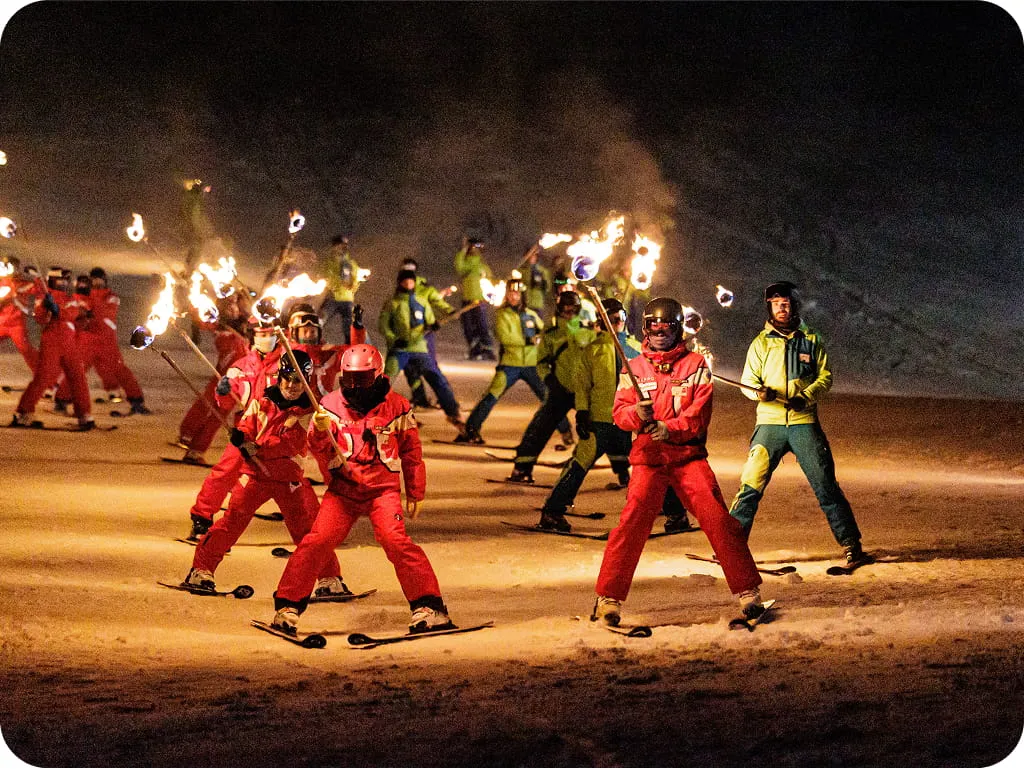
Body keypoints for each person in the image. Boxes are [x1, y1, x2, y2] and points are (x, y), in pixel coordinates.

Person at [592, 297, 765, 627]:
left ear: (677, 330)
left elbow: (698, 417)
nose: (659, 334)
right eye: (653, 328)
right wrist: (636, 415)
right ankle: (608, 597)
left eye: (666, 328)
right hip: (649, 458)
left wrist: (668, 428)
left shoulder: (696, 364)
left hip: (686, 457)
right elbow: (619, 413)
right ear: (645, 329)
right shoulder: (635, 366)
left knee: (716, 517)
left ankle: (747, 590)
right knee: (633, 522)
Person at [267, 343, 454, 637]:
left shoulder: (398, 407)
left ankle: (430, 606)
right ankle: (288, 605)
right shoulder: (329, 405)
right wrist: (317, 430)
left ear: (377, 376)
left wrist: (415, 490)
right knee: (317, 540)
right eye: (350, 379)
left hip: (382, 490)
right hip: (344, 491)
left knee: (394, 540)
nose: (355, 387)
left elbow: (411, 452)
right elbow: (318, 451)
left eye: (363, 380)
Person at [182, 350, 350, 600]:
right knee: (231, 523)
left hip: (288, 479)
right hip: (255, 477)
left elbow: (293, 443)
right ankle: (201, 570)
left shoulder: (310, 412)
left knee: (306, 531)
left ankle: (329, 577)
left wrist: (259, 447)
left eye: (299, 381)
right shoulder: (261, 403)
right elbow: (248, 426)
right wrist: (242, 437)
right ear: (280, 377)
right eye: (288, 379)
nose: (292, 386)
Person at [729, 281, 870, 569]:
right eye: (777, 303)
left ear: (795, 305)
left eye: (787, 302)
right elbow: (747, 382)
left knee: (826, 486)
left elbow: (825, 377)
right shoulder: (760, 343)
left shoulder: (811, 339)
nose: (782, 308)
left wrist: (805, 398)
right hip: (769, 425)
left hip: (804, 423)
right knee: (750, 485)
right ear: (769, 307)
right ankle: (730, 547)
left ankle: (851, 545)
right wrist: (759, 392)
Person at [538, 298, 693, 533]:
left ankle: (676, 513)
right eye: (611, 319)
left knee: (654, 462)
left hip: (632, 419)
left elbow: (657, 370)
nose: (616, 323)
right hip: (600, 418)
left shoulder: (637, 347)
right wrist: (582, 412)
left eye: (620, 318)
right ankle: (552, 511)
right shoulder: (593, 349)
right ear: (602, 321)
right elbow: (583, 385)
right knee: (580, 462)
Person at [183, 314, 282, 541]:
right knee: (225, 471)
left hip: (277, 432)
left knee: (290, 479)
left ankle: (310, 530)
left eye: (270, 335)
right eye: (261, 335)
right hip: (246, 430)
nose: (266, 339)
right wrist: (224, 391)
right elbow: (227, 403)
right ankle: (202, 518)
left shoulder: (287, 362)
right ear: (252, 337)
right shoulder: (242, 367)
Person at [506, 290, 587, 483]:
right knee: (540, 428)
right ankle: (522, 467)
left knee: (601, 428)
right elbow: (541, 362)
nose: (569, 314)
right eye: (565, 310)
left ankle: (621, 468)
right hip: (559, 390)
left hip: (583, 391)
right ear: (559, 310)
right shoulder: (551, 334)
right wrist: (549, 379)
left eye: (572, 310)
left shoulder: (588, 332)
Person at [456, 278, 546, 444]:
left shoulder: (531, 315)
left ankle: (566, 432)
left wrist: (541, 338)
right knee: (492, 395)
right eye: (511, 293)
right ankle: (470, 429)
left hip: (531, 365)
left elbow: (545, 332)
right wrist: (528, 341)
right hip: (510, 364)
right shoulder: (502, 314)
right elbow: (505, 337)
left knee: (548, 398)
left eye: (517, 293)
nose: (514, 296)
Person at [378, 269, 465, 433]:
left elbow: (430, 321)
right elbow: (383, 325)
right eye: (405, 281)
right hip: (400, 349)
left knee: (436, 378)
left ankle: (453, 413)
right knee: (385, 381)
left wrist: (433, 325)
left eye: (411, 281)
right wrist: (394, 338)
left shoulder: (421, 301)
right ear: (400, 283)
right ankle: (374, 413)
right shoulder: (392, 303)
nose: (408, 284)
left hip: (419, 348)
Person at [54, 268, 149, 415]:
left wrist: (89, 308)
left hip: (107, 342)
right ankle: (62, 400)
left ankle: (136, 400)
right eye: (94, 279)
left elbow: (105, 311)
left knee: (120, 370)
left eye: (99, 279)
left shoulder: (112, 297)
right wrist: (81, 300)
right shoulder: (82, 296)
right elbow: (76, 311)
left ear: (104, 280)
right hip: (87, 341)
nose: (97, 282)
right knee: (77, 370)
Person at [11, 267, 94, 430]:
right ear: (53, 281)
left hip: (69, 342)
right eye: (60, 280)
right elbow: (40, 318)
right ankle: (24, 413)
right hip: (52, 340)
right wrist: (46, 307)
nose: (64, 284)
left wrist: (60, 310)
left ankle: (84, 414)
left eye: (65, 281)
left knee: (77, 377)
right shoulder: (44, 296)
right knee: (43, 377)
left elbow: (73, 313)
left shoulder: (69, 298)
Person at [175, 294, 254, 464]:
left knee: (222, 414)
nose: (233, 309)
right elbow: (203, 321)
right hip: (224, 376)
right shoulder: (221, 326)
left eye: (235, 305)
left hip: (242, 378)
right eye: (229, 306)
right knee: (208, 404)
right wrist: (194, 308)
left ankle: (197, 449)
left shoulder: (245, 322)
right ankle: (188, 437)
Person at [397, 258, 454, 410]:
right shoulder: (400, 288)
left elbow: (437, 301)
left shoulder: (424, 288)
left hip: (425, 333)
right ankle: (419, 396)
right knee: (409, 368)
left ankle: (446, 398)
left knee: (430, 366)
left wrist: (450, 311)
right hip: (407, 337)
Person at [453, 236, 496, 360]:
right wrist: (463, 250)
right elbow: (459, 267)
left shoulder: (482, 265)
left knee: (481, 325)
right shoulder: (465, 263)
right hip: (467, 299)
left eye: (478, 247)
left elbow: (490, 280)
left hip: (479, 300)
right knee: (467, 326)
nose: (475, 249)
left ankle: (487, 349)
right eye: (473, 246)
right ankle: (474, 349)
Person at [0, 257, 40, 375]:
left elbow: (40, 288)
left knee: (27, 351)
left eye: (12, 267)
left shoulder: (23, 283)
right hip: (1, 322)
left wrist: (36, 277)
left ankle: (44, 376)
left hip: (16, 325)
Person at [319, 235, 362, 345]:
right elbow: (324, 276)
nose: (342, 247)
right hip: (331, 296)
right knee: (319, 321)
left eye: (344, 245)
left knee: (349, 326)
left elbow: (356, 279)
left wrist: (352, 287)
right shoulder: (328, 262)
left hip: (346, 298)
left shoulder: (351, 263)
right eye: (339, 245)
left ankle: (349, 347)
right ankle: (315, 342)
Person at [517, 244, 552, 315]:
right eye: (530, 255)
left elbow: (547, 287)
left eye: (533, 255)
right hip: (525, 304)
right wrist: (522, 287)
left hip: (537, 304)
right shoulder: (521, 271)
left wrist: (542, 284)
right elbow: (517, 285)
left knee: (538, 325)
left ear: (536, 256)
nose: (531, 257)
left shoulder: (543, 271)